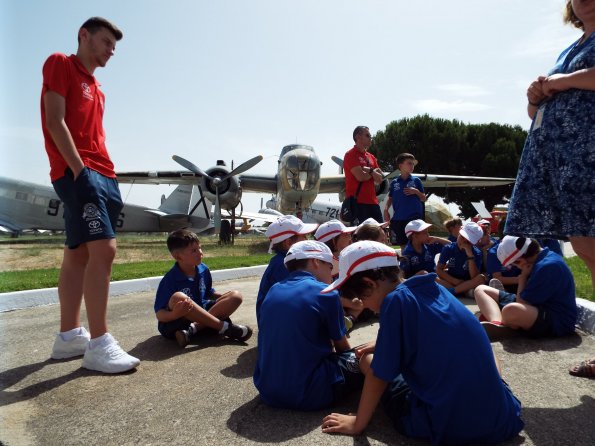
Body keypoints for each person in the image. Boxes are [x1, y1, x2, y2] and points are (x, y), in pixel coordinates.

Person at [320, 241, 524, 444]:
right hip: (501, 418)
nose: (363, 306)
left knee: (368, 361)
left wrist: (358, 424)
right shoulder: (433, 287)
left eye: (360, 298)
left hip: (450, 426)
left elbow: (379, 374)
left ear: (370, 284)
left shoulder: (395, 302)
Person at [42, 17, 139, 373]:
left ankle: (68, 336)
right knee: (105, 248)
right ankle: (99, 344)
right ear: (84, 36)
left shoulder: (98, 89)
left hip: (103, 172)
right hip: (79, 171)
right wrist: (80, 171)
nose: (111, 50)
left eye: (114, 46)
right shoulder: (60, 63)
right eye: (105, 42)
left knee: (78, 252)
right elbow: (55, 121)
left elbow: (95, 134)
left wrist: (102, 173)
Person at [505, 0, 595, 288]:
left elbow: (564, 84)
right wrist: (534, 98)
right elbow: (535, 115)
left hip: (587, 155)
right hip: (562, 162)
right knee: (585, 246)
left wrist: (563, 81)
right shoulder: (569, 49)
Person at [253, 240, 369, 410]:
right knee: (366, 358)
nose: (332, 276)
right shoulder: (326, 293)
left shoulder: (274, 289)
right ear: (316, 262)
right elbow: (342, 348)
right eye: (330, 268)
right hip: (309, 394)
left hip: (268, 391)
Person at [154, 229, 252, 347]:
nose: (200, 252)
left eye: (200, 248)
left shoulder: (203, 269)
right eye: (194, 251)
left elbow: (208, 292)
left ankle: (193, 329)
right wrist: (175, 314)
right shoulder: (170, 279)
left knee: (236, 296)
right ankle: (225, 328)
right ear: (178, 256)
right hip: (178, 322)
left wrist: (225, 298)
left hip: (202, 314)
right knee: (179, 297)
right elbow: (160, 314)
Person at [474, 236, 577, 340]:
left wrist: (522, 278)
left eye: (514, 264)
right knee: (481, 289)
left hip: (557, 320)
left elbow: (521, 304)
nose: (516, 267)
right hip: (535, 306)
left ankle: (503, 318)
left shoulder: (547, 266)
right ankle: (497, 323)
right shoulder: (543, 257)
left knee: (510, 310)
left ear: (520, 260)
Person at [255, 215, 318, 322]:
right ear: (288, 243)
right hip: (277, 323)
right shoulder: (283, 264)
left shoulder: (287, 261)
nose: (307, 240)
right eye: (303, 236)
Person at [314, 220, 360, 329]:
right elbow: (322, 293)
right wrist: (350, 303)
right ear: (333, 240)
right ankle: (346, 321)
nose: (350, 237)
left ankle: (348, 319)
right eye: (346, 234)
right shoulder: (322, 264)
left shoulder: (340, 258)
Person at [343, 126, 384, 225]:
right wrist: (373, 172)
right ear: (358, 137)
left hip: (373, 203)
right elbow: (360, 177)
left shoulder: (371, 157)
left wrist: (370, 170)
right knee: (360, 237)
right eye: (368, 135)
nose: (371, 138)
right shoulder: (350, 155)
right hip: (357, 203)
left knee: (380, 234)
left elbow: (380, 179)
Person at [384, 153, 426, 247]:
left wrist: (416, 192)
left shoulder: (416, 180)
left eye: (413, 164)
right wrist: (386, 210)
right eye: (409, 163)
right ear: (400, 166)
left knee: (417, 244)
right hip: (399, 219)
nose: (412, 166)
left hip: (414, 219)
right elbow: (390, 199)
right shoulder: (394, 182)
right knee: (403, 245)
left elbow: (423, 198)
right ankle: (405, 262)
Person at [436, 221, 486, 296]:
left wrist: (470, 256)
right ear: (459, 233)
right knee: (433, 277)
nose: (464, 242)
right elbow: (439, 270)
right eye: (462, 237)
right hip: (452, 280)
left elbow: (474, 276)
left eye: (468, 241)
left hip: (467, 282)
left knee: (481, 278)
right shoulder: (449, 248)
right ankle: (464, 292)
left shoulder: (476, 252)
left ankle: (454, 291)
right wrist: (455, 281)